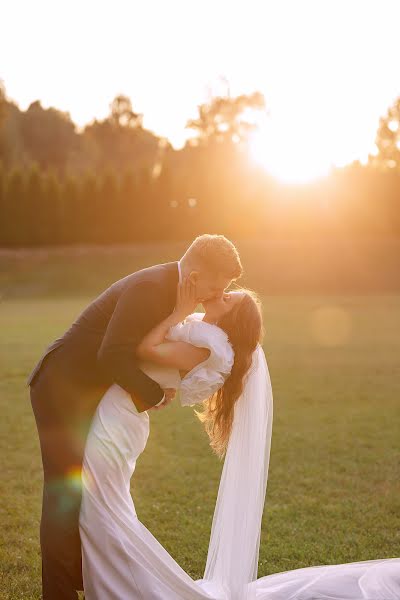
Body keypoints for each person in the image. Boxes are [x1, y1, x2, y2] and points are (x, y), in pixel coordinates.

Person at [79, 277, 400, 599]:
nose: (223, 292)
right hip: (121, 414)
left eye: (230, 297)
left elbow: (148, 349)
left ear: (232, 318)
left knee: (103, 507)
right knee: (104, 505)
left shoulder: (209, 347)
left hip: (120, 421)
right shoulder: (203, 334)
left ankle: (129, 586)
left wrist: (179, 311)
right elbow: (160, 368)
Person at [28, 233, 243, 600]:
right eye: (214, 287)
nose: (215, 295)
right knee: (64, 495)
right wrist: (154, 392)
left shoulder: (175, 293)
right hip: (61, 388)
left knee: (82, 495)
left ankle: (88, 575)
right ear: (194, 274)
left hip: (88, 394)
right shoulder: (151, 289)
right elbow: (111, 355)